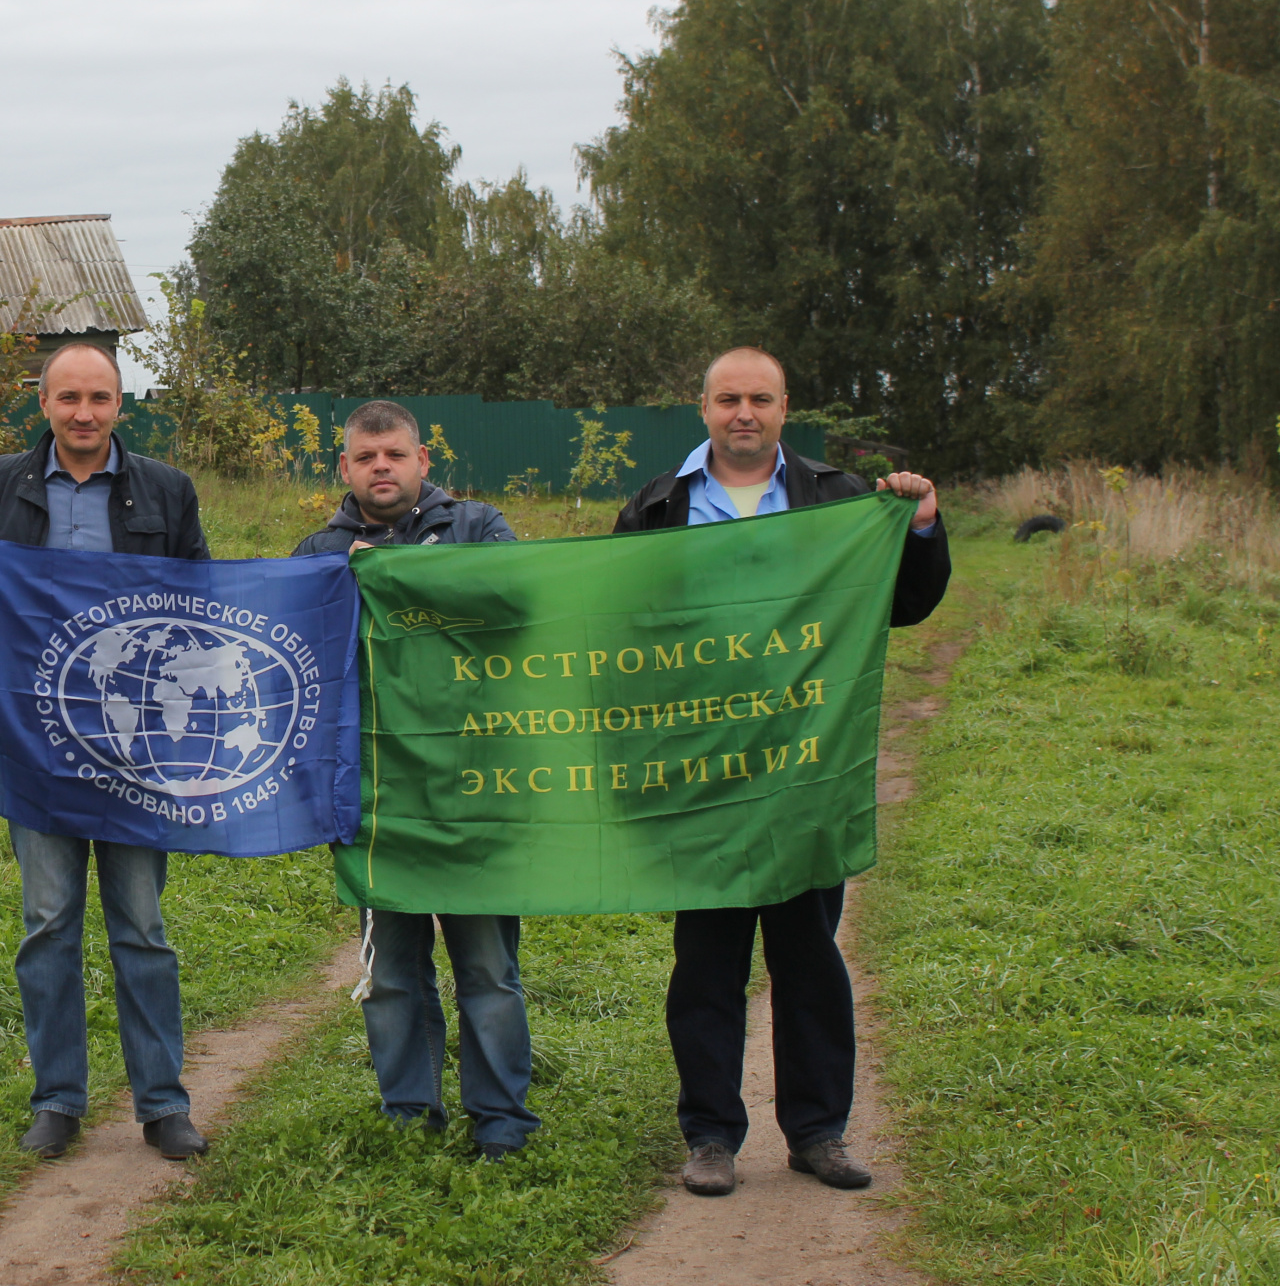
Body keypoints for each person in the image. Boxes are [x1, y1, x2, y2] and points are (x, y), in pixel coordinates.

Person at [612, 346, 950, 1198]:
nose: (743, 414)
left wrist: (916, 528)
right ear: (703, 407)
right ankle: (712, 1135)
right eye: (728, 399)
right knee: (707, 963)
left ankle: (818, 1133)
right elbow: (613, 630)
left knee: (808, 957)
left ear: (785, 406)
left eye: (759, 399)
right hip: (701, 773)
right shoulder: (655, 507)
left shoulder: (841, 501)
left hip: (807, 765)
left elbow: (905, 606)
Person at [0, 342, 214, 1162]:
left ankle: (162, 1104)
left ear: (122, 405)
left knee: (142, 925)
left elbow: (205, 604)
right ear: (42, 403)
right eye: (68, 397)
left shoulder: (166, 491)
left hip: (137, 744)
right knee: (48, 922)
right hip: (34, 743)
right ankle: (58, 1101)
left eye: (100, 398)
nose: (84, 413)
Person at [293, 400, 538, 1161]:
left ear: (423, 460)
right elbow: (297, 664)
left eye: (395, 455)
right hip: (372, 796)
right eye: (366, 459)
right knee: (393, 970)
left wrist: (401, 579)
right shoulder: (317, 550)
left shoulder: (479, 528)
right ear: (345, 468)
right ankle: (409, 1112)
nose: (381, 468)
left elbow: (516, 604)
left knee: (488, 969)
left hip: (474, 787)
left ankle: (501, 1121)